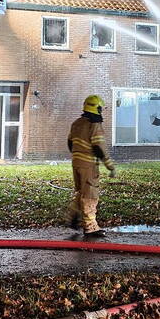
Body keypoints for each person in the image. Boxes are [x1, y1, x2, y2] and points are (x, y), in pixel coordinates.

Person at [66, 94, 118, 238]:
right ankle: (90, 227)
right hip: (88, 165)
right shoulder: (94, 125)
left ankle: (73, 216)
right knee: (90, 195)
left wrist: (78, 156)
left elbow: (70, 143)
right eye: (101, 108)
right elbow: (98, 147)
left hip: (76, 163)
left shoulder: (76, 123)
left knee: (81, 192)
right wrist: (110, 166)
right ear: (97, 108)